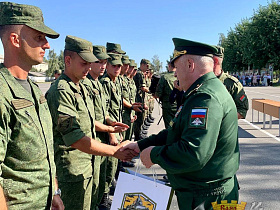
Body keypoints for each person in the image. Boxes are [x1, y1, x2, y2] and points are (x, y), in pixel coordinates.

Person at [122, 38, 240, 210]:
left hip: (208, 198)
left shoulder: (205, 98)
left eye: (177, 68)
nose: (175, 74)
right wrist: (141, 145)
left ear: (190, 64)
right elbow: (175, 132)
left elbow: (193, 153)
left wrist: (154, 154)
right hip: (205, 194)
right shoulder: (199, 92)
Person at [46, 35, 136, 210]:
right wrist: (114, 151)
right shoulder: (61, 91)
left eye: (90, 63)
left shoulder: (79, 86)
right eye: (84, 63)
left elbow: (89, 120)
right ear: (68, 60)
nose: (88, 68)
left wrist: (110, 127)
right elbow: (75, 138)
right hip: (72, 171)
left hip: (87, 164)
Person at [0, 2, 64, 209]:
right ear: (15, 40)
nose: (47, 45)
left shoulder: (35, 90)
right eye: (39, 37)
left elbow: (45, 150)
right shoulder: (2, 92)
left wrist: (53, 191)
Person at [81, 45, 129, 210]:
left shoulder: (98, 84)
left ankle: (101, 200)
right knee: (97, 178)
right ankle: (100, 202)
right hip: (93, 138)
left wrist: (112, 123)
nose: (102, 66)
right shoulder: (87, 84)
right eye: (99, 62)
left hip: (103, 134)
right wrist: (111, 132)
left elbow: (104, 111)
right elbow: (89, 118)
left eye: (104, 62)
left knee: (102, 175)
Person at [213, 46, 249, 119]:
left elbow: (242, 110)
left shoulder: (231, 84)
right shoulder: (198, 80)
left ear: (215, 61)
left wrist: (220, 120)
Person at [154, 61, 178, 128]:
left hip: (167, 106)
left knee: (169, 127)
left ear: (169, 66)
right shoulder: (180, 76)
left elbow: (158, 93)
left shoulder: (164, 77)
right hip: (179, 106)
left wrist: (154, 95)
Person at [133, 59, 150, 140]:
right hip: (138, 99)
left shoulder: (140, 73)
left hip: (139, 98)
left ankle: (139, 134)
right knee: (139, 119)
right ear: (142, 64)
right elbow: (143, 88)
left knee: (140, 118)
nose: (147, 68)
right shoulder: (139, 74)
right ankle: (137, 136)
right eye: (146, 66)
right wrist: (151, 91)